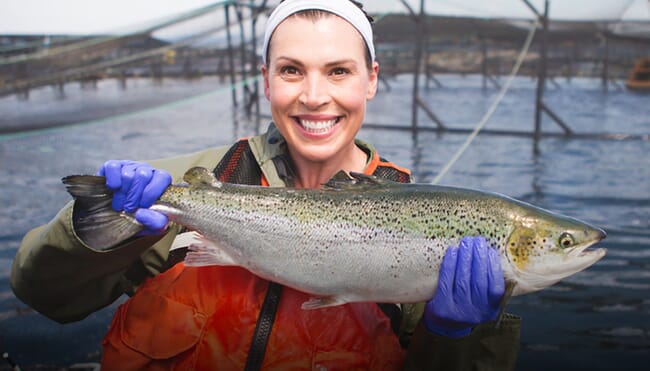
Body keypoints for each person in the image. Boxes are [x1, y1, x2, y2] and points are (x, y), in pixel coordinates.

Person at [11, 0, 521, 369]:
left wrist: (457, 335)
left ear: (371, 79)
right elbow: (45, 297)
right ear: (266, 80)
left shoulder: (434, 225)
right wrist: (98, 231)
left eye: (339, 71)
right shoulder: (189, 184)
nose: (315, 95)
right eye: (292, 71)